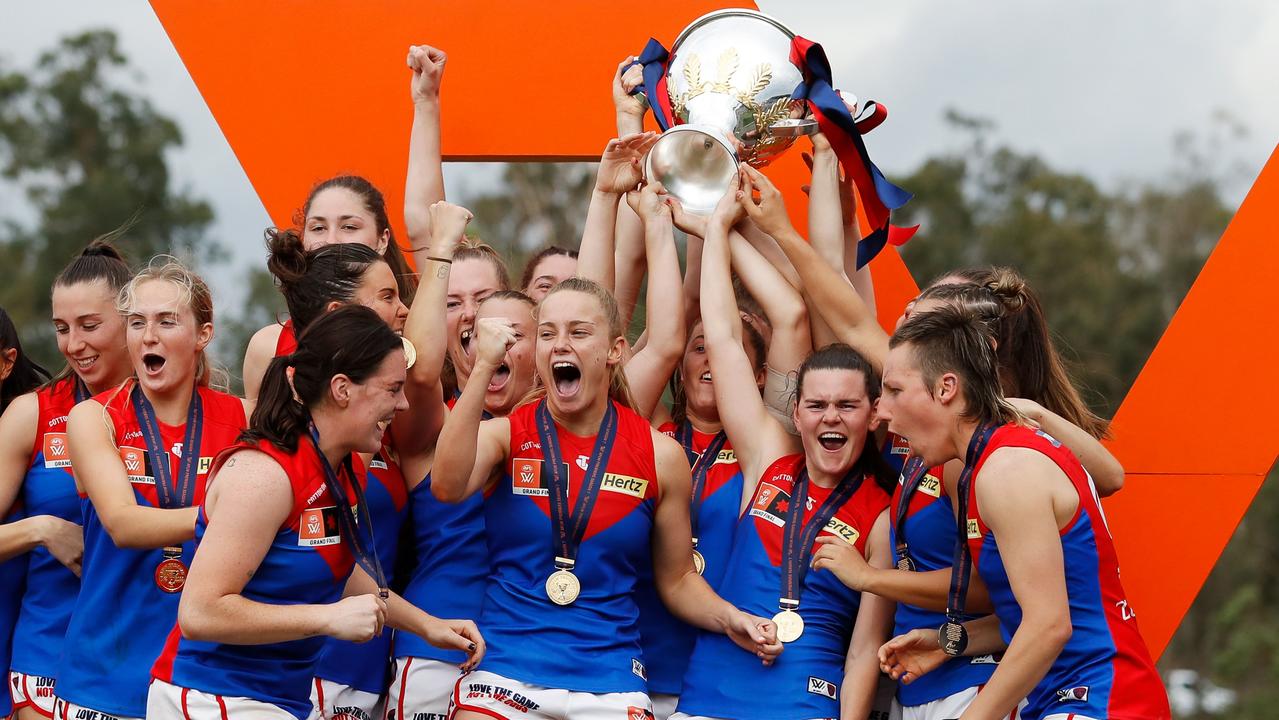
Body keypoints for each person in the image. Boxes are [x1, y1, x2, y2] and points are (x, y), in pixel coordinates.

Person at [432, 277, 780, 719]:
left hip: (610, 679)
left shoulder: (660, 455)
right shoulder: (508, 433)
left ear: (615, 350)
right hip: (508, 667)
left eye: (578, 332)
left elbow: (676, 580)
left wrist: (733, 618)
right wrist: (482, 366)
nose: (560, 345)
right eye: (547, 333)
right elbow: (446, 485)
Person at [148, 306, 482, 720]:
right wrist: (326, 619)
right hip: (210, 697)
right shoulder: (264, 475)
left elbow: (340, 570)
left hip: (266, 700)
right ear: (343, 389)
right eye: (393, 389)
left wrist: (427, 626)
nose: (403, 404)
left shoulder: (337, 465)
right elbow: (199, 613)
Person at [874, 305, 1170, 720]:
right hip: (1073, 695)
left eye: (894, 391)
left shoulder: (1006, 470)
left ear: (946, 388)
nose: (882, 410)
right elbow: (1033, 616)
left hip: (1099, 699)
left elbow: (1050, 627)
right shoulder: (993, 460)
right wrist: (948, 642)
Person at [671, 171, 895, 720]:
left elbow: (866, 648)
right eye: (816, 406)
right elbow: (723, 337)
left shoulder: (885, 516)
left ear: (873, 415)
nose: (830, 419)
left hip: (803, 704)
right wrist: (715, 230)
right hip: (705, 700)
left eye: (846, 406)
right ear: (795, 412)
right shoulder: (770, 458)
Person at [57, 258, 249, 720]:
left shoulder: (246, 419)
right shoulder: (96, 417)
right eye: (137, 322)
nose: (148, 336)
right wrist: (229, 520)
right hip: (103, 679)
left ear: (203, 334)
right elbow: (122, 524)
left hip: (201, 685)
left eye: (167, 321)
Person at [388, 202, 541, 720]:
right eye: (456, 304)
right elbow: (422, 372)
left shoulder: (561, 429)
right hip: (437, 650)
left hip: (530, 657)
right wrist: (440, 251)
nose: (474, 317)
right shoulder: (428, 421)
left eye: (488, 303)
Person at [0, 242, 134, 719]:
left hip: (147, 661)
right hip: (48, 660)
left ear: (130, 319)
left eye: (89, 326)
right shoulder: (31, 413)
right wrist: (42, 528)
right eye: (61, 328)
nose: (73, 344)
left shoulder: (186, 414)